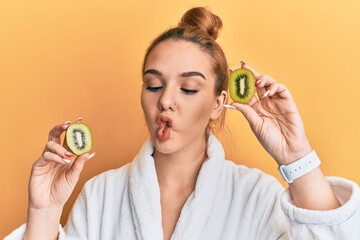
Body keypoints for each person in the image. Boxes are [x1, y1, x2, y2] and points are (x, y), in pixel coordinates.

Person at [5, 7, 360, 240]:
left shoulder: (255, 197)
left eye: (189, 88)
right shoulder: (101, 195)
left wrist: (296, 155)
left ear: (220, 103)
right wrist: (45, 210)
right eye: (153, 85)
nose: (166, 100)